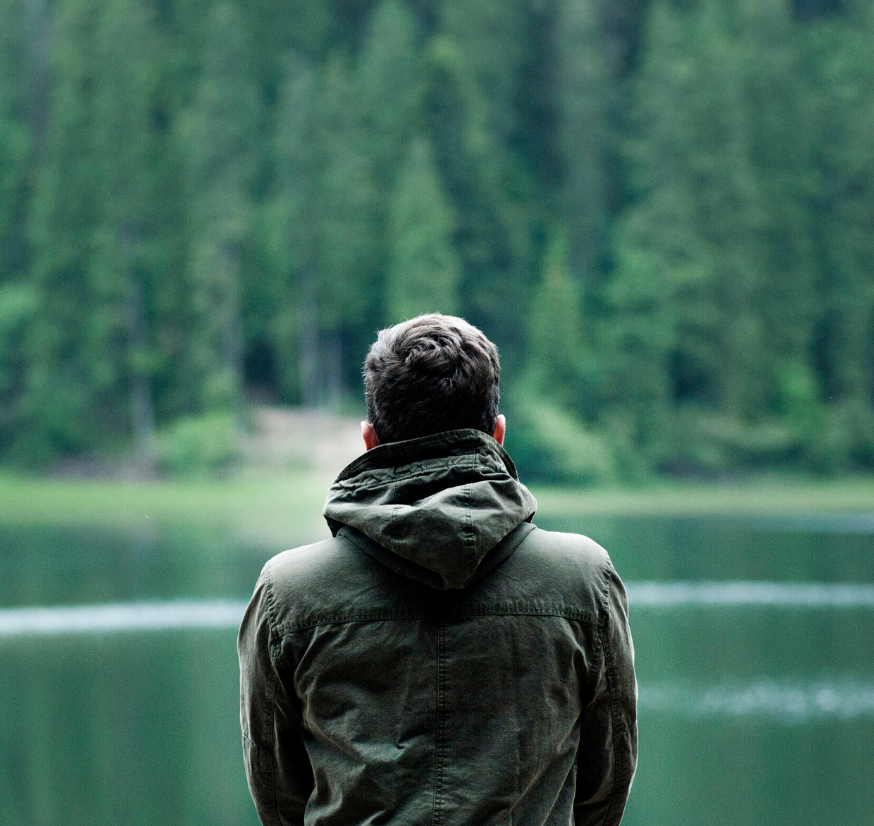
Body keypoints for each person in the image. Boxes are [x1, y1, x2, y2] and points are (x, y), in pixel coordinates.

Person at [238, 313, 637, 826]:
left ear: (369, 441)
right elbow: (605, 787)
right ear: (497, 434)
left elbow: (280, 796)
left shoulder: (288, 592)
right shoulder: (584, 579)